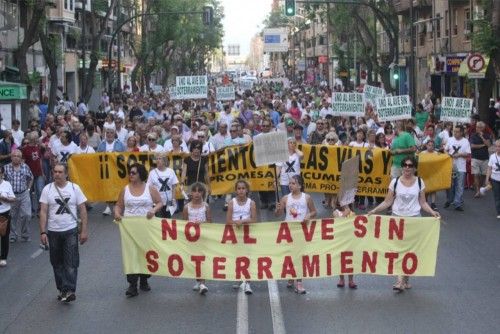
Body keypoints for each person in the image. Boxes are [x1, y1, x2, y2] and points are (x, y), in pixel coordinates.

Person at [367, 156, 439, 292]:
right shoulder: (394, 182)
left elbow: (423, 202)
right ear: (401, 167)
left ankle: (406, 279)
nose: (407, 168)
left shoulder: (419, 182)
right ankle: (399, 281)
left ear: (414, 168)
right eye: (405, 165)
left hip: (414, 220)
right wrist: (374, 210)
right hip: (397, 220)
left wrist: (432, 212)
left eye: (410, 165)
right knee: (399, 250)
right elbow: (388, 202)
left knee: (410, 250)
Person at [39, 163, 89, 302]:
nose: (57, 174)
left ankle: (69, 290)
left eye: (60, 172)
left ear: (66, 174)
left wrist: (84, 230)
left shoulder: (74, 188)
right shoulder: (47, 189)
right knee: (56, 262)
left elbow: (82, 209)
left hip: (70, 230)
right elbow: (43, 212)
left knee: (71, 262)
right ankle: (62, 289)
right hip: (53, 231)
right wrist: (43, 232)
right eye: (55, 171)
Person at [114, 163, 163, 298]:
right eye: (130, 172)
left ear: (141, 174)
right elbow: (118, 205)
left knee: (145, 253)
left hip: (146, 226)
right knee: (131, 255)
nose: (130, 175)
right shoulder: (125, 189)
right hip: (129, 228)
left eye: (133, 173)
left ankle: (144, 279)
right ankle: (132, 284)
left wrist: (153, 210)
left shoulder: (150, 188)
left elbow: (160, 202)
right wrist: (117, 213)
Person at [275, 175, 316, 294]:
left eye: (293, 183)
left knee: (299, 257)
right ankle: (290, 276)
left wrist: (309, 215)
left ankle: (299, 282)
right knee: (289, 256)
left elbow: (314, 211)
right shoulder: (285, 198)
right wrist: (277, 209)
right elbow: (278, 215)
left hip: (301, 232)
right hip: (288, 232)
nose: (290, 185)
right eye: (290, 183)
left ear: (300, 185)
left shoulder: (306, 198)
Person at [226, 180, 257, 295]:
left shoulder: (251, 203)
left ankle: (248, 281)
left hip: (248, 234)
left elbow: (254, 219)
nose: (241, 191)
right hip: (235, 234)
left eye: (243, 188)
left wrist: (242, 221)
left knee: (248, 256)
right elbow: (228, 220)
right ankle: (238, 278)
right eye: (239, 189)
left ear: (247, 190)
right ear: (235, 190)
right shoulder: (231, 203)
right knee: (237, 256)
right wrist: (235, 223)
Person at [182, 182, 212, 294]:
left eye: (200, 191)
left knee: (202, 260)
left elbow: (210, 222)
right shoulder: (186, 207)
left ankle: (203, 283)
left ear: (203, 193)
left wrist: (202, 223)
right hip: (191, 239)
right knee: (195, 261)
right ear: (191, 193)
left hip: (203, 238)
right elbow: (183, 224)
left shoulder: (206, 206)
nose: (197, 194)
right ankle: (198, 280)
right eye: (194, 191)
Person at [4, 150, 33, 242]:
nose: (16, 157)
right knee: (12, 216)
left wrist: (28, 189)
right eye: (14, 156)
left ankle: (25, 235)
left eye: (18, 156)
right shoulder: (6, 168)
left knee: (27, 215)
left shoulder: (25, 167)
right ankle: (13, 235)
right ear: (11, 157)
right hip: (11, 195)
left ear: (21, 158)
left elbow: (31, 178)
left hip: (24, 193)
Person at [444, 125, 470, 211]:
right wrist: (447, 154)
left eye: (457, 131)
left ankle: (457, 203)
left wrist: (459, 155)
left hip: (461, 167)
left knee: (459, 185)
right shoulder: (450, 139)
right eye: (454, 131)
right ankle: (449, 200)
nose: (455, 133)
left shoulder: (465, 141)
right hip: (450, 166)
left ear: (462, 132)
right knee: (449, 185)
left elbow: (468, 154)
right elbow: (445, 149)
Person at [332, 203, 357, 289]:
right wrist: (346, 212)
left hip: (350, 239)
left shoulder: (352, 212)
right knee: (340, 260)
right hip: (339, 240)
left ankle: (351, 280)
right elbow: (339, 220)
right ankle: (341, 279)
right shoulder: (336, 212)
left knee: (350, 260)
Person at [147, 153, 179, 218]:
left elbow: (173, 186)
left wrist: (173, 199)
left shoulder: (171, 171)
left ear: (164, 161)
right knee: (159, 222)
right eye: (157, 159)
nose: (158, 160)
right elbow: (149, 188)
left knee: (168, 220)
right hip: (157, 202)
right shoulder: (152, 173)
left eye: (160, 159)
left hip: (168, 202)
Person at [470, 121, 492, 198]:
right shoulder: (473, 136)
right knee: (476, 174)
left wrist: (482, 137)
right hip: (475, 157)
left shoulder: (486, 135)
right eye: (477, 127)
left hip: (485, 158)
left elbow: (488, 145)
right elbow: (472, 146)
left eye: (479, 127)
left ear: (483, 128)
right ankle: (478, 191)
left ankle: (479, 187)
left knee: (483, 175)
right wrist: (483, 145)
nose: (477, 128)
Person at [0, 166, 17, 267]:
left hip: (4, 213)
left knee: (4, 235)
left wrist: (4, 198)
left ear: (2, 174)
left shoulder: (7, 185)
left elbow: (13, 199)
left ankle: (3, 257)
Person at [485, 139, 500, 219]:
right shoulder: (492, 157)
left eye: (499, 146)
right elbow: (489, 168)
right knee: (497, 196)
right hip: (495, 180)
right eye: (496, 146)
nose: (498, 148)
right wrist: (487, 179)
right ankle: (499, 212)